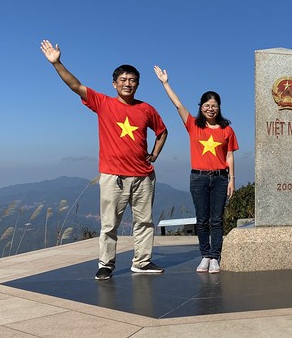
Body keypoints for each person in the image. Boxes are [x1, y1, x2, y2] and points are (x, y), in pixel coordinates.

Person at [40, 40, 168, 280]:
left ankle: (142, 262)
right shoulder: (104, 103)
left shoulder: (146, 109)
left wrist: (154, 154)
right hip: (113, 176)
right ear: (114, 83)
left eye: (132, 80)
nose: (128, 84)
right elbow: (76, 85)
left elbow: (162, 132)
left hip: (143, 176)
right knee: (109, 225)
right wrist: (57, 63)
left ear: (138, 84)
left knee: (144, 222)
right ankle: (106, 264)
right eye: (123, 80)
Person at [154, 65, 238, 274]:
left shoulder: (227, 130)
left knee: (217, 220)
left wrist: (232, 179)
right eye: (207, 105)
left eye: (214, 105)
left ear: (219, 107)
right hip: (198, 178)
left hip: (220, 178)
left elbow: (229, 155)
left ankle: (215, 257)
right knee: (202, 220)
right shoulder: (193, 125)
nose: (210, 109)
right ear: (201, 107)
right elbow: (178, 104)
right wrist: (165, 83)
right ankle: (205, 256)